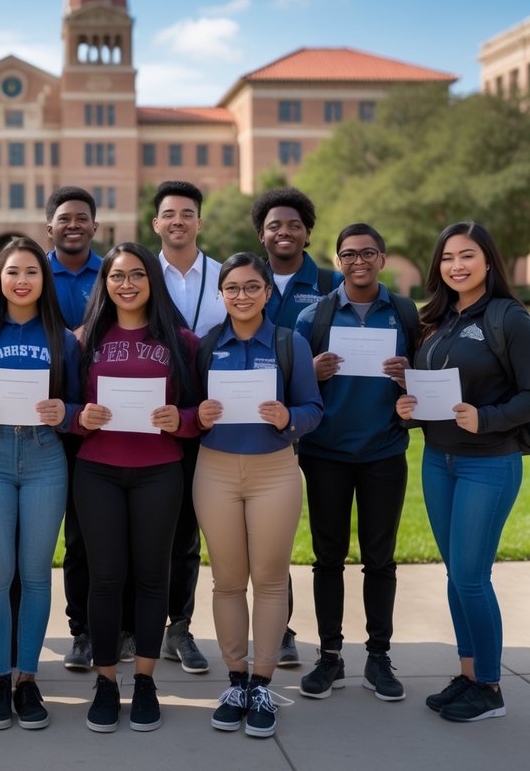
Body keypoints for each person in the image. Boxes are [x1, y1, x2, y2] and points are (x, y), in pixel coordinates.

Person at [396, 222, 530, 723]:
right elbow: (440, 394)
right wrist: (410, 406)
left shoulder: (509, 318)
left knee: (470, 577)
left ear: (488, 260)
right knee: (456, 575)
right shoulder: (436, 320)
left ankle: (490, 687)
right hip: (438, 461)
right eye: (447, 258)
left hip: (489, 463)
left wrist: (486, 418)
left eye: (467, 255)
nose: (456, 265)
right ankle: (468, 674)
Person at [0, 237, 82, 729]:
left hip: (45, 458)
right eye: (12, 271)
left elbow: (79, 409)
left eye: (31, 271)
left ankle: (28, 678)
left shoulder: (63, 339)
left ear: (42, 280)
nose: (22, 279)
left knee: (33, 573)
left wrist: (63, 412)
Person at [71, 242, 201, 734]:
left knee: (152, 577)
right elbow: (61, 408)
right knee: (105, 577)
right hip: (98, 470)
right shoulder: (83, 340)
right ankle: (106, 680)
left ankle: (144, 680)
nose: (127, 284)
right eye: (117, 276)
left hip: (159, 471)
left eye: (137, 275)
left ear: (153, 281)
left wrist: (180, 420)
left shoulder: (181, 341)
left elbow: (199, 413)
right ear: (104, 283)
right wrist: (80, 418)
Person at [194, 252, 322, 739]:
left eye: (252, 287)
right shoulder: (205, 346)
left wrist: (289, 418)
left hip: (275, 471)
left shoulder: (291, 344)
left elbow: (314, 409)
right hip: (216, 471)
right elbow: (186, 410)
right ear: (221, 295)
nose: (242, 296)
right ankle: (235, 681)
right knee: (227, 580)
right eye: (233, 288)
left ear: (268, 293)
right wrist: (198, 415)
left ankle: (263, 683)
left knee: (269, 579)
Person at [293, 224, 416, 703]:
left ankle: (379, 656)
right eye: (349, 254)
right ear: (337, 259)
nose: (358, 261)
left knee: (380, 560)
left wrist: (411, 378)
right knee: (327, 559)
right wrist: (313, 372)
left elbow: (427, 390)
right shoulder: (313, 317)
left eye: (368, 253)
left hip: (384, 453)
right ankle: (329, 656)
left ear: (382, 258)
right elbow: (295, 393)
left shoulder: (405, 314)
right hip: (325, 456)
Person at [251, 185, 342, 667]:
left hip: (318, 427)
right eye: (274, 225)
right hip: (261, 430)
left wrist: (320, 370)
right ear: (261, 234)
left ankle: (333, 641)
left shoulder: (329, 282)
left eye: (293, 224)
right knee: (269, 535)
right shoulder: (245, 279)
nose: (283, 231)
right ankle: (279, 629)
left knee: (324, 539)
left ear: (307, 233)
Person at [151, 180, 226, 674]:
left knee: (185, 533)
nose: (178, 220)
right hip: (143, 418)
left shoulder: (225, 277)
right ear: (155, 223)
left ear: (199, 221)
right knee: (138, 529)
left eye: (187, 213)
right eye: (168, 214)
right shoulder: (135, 274)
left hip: (206, 418)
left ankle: (179, 627)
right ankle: (135, 628)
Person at [44, 185, 102, 671]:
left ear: (95, 226)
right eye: (65, 218)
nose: (74, 225)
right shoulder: (29, 271)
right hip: (37, 422)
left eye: (82, 218)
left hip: (97, 421)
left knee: (86, 533)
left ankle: (86, 630)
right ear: (50, 228)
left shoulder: (114, 273)